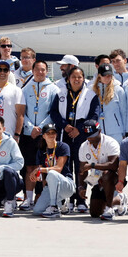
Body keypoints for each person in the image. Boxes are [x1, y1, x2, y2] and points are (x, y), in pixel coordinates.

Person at [48, 66, 97, 212]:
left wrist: (79, 129)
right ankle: (64, 199)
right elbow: (54, 112)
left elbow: (94, 116)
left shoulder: (90, 94)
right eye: (73, 77)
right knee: (65, 166)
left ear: (83, 79)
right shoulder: (61, 93)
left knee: (81, 167)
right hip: (65, 134)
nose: (76, 79)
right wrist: (65, 126)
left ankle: (81, 200)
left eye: (79, 77)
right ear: (68, 79)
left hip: (82, 135)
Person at [18, 59, 59, 208]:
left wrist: (40, 128)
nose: (40, 72)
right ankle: (27, 198)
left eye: (43, 70)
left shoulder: (53, 89)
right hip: (29, 134)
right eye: (37, 69)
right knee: (29, 166)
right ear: (33, 71)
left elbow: (53, 111)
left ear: (46, 71)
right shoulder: (25, 89)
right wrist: (30, 127)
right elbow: (23, 112)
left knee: (43, 167)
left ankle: (41, 197)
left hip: (45, 134)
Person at [77, 120, 120, 220]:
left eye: (93, 135)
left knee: (106, 174)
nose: (90, 138)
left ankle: (110, 208)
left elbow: (113, 165)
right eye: (88, 136)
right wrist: (81, 186)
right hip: (97, 181)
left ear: (100, 131)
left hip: (114, 179)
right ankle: (118, 201)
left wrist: (92, 165)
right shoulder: (83, 146)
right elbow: (82, 170)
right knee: (95, 212)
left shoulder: (110, 142)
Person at [31, 123, 75, 218]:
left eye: (53, 133)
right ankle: (60, 204)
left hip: (66, 184)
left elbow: (58, 168)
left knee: (52, 173)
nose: (51, 135)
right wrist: (37, 176)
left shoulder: (63, 146)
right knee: (37, 211)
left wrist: (40, 169)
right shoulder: (41, 151)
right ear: (43, 136)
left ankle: (54, 207)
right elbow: (42, 176)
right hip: (51, 186)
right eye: (48, 133)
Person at [92, 63, 127, 141]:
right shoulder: (93, 91)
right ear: (99, 76)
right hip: (98, 132)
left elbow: (124, 112)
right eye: (105, 75)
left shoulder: (118, 90)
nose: (108, 78)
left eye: (110, 75)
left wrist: (124, 132)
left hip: (116, 132)